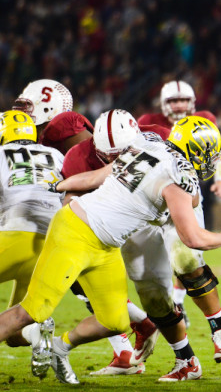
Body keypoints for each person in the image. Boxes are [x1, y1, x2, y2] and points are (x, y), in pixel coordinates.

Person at [0, 115, 221, 385]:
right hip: (76, 232)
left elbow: (100, 175)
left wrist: (62, 185)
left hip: (106, 246)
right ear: (197, 150)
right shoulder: (177, 174)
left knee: (115, 321)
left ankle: (59, 347)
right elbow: (193, 238)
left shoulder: (149, 144)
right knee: (31, 312)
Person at [60, 110, 172, 376]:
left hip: (146, 222)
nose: (114, 159)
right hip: (102, 227)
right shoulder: (78, 156)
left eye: (120, 152)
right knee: (83, 281)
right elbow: (71, 199)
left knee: (159, 290)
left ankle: (183, 355)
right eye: (107, 154)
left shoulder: (158, 139)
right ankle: (127, 348)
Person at [137, 80, 221, 360]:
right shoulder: (147, 122)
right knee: (146, 280)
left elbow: (216, 154)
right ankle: (169, 345)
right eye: (173, 101)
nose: (179, 105)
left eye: (183, 100)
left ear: (193, 102)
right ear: (163, 104)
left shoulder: (203, 120)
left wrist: (220, 181)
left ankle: (220, 329)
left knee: (187, 258)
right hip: (148, 194)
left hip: (184, 189)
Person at [0, 110, 64, 379]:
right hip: (54, 248)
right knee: (15, 334)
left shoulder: (2, 156)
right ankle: (39, 333)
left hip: (17, 236)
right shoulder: (57, 156)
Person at [12, 79, 93, 154]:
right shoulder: (34, 134)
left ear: (47, 109)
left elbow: (93, 160)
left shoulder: (64, 126)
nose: (22, 111)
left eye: (28, 105)